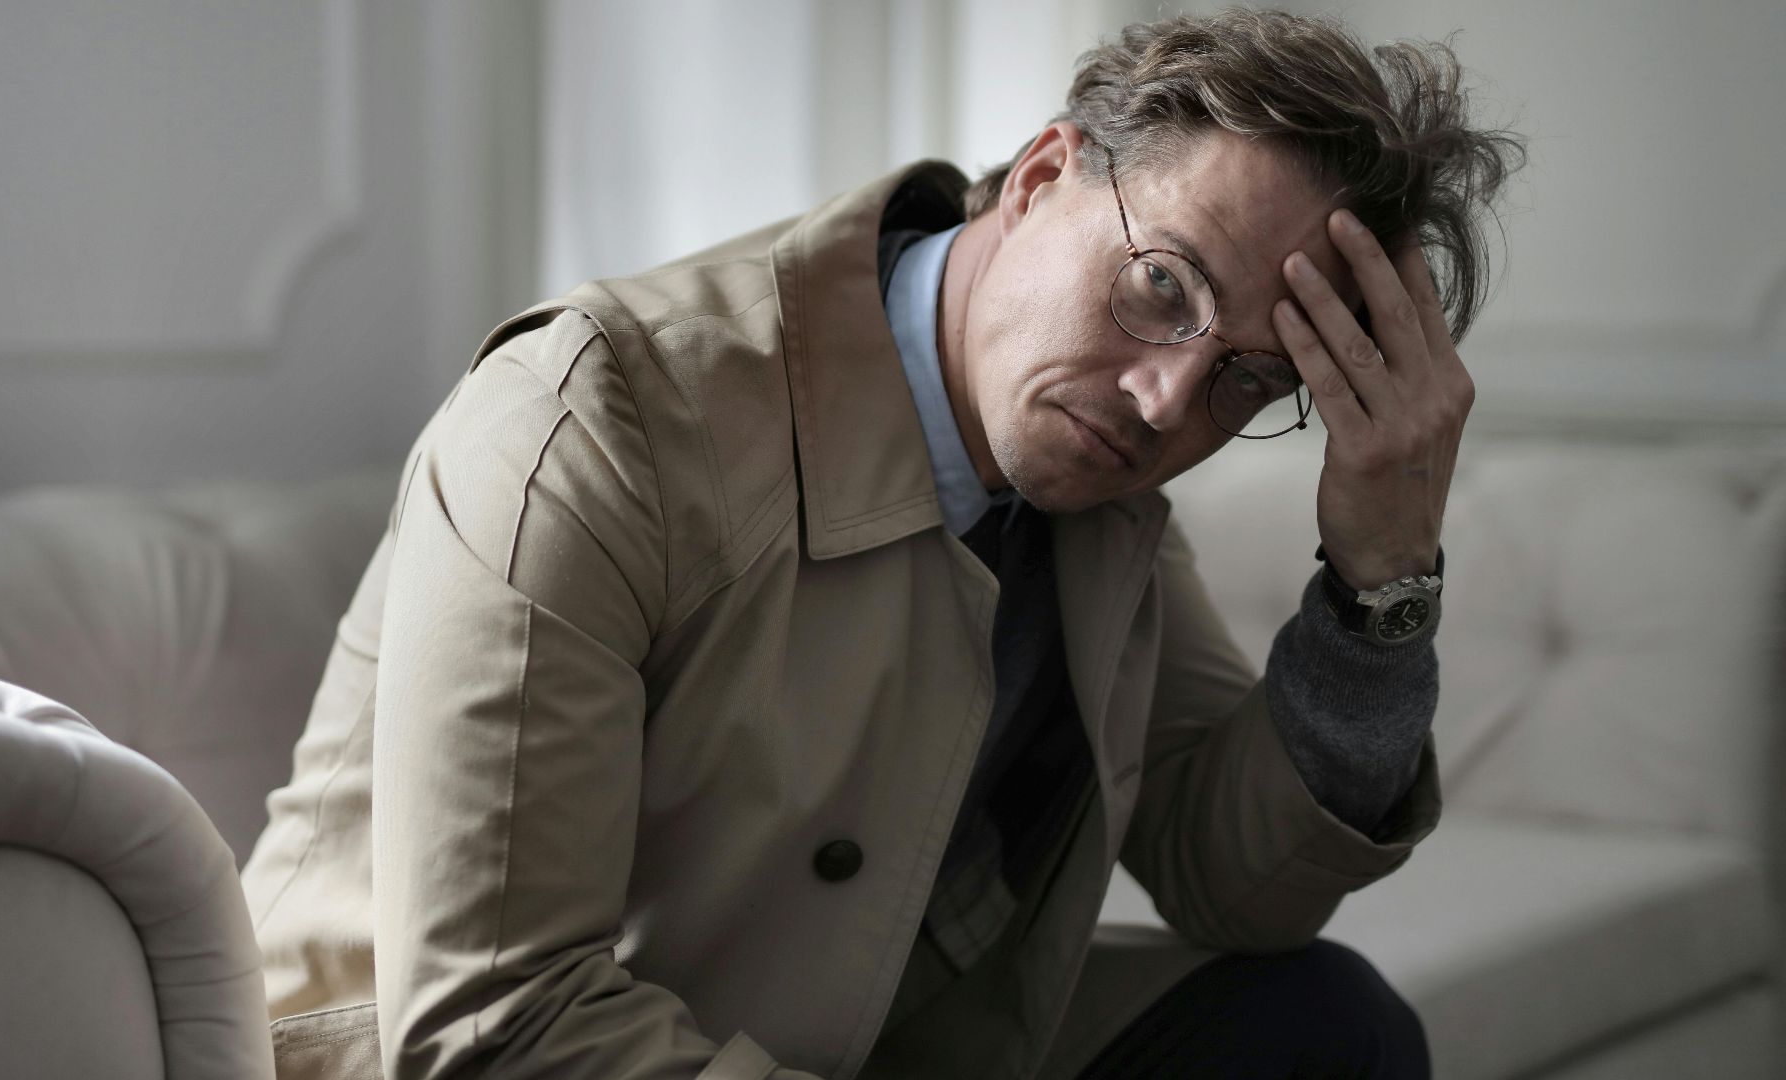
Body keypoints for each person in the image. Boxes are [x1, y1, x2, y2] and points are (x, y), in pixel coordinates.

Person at [240, 8, 1523, 1078]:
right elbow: (492, 1025)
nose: (1167, 403)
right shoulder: (599, 414)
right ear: (1039, 178)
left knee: (1320, 1030)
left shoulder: (1092, 474)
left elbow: (1232, 880)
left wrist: (1379, 582)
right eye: (1162, 286)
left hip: (848, 1039)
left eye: (1249, 377)